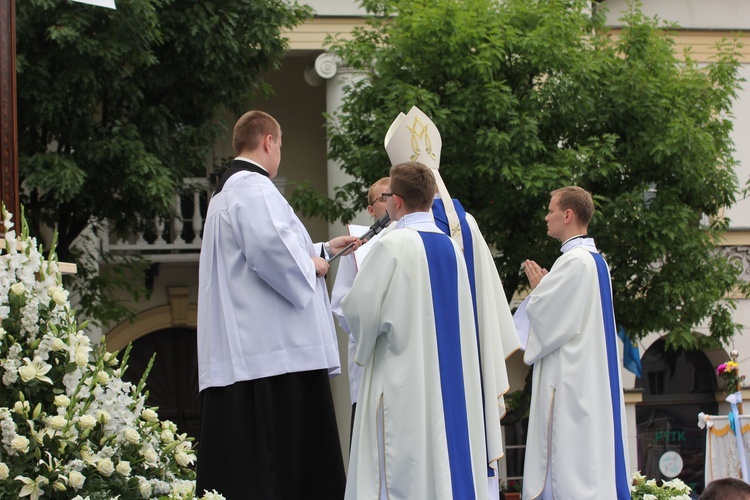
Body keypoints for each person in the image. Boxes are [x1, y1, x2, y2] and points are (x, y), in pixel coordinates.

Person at [196, 110, 359, 499]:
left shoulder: (226, 194)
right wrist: (312, 264)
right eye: (280, 144)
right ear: (268, 141)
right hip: (273, 356)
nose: (280, 152)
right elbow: (269, 251)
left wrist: (321, 249)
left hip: (251, 351)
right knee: (283, 468)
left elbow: (258, 253)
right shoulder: (253, 188)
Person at [384, 106, 520, 499]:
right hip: (471, 359)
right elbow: (490, 302)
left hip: (420, 358)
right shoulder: (469, 223)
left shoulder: (401, 233)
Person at [342, 161, 489, 500]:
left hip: (400, 378)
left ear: (395, 200)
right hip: (448, 380)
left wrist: (364, 342)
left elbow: (358, 311)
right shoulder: (451, 247)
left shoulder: (391, 245)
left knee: (399, 468)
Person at [514, 186, 630, 500]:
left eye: (551, 210)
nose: (546, 216)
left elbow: (552, 323)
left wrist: (539, 291)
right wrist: (549, 289)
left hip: (570, 383)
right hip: (588, 379)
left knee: (569, 467)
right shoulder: (595, 261)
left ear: (568, 215)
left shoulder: (575, 262)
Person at [330, 177, 392, 432]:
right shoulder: (358, 245)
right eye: (383, 198)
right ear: (370, 209)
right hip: (370, 353)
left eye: (393, 196)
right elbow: (340, 304)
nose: (390, 202)